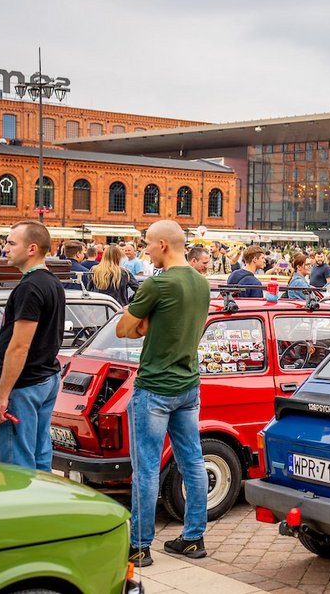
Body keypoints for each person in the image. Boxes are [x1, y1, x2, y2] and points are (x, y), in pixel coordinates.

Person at [116, 220, 211, 567]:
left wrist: (145, 323)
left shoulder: (158, 283)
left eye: (147, 245)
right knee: (193, 462)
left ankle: (140, 546)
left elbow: (124, 328)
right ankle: (193, 538)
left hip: (155, 387)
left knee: (146, 468)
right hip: (188, 384)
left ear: (163, 245)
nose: (145, 251)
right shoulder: (202, 284)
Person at [0, 221, 65, 470]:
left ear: (31, 248)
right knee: (40, 452)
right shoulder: (52, 282)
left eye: (12, 243)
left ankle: (20, 508)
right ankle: (39, 506)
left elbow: (19, 346)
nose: (5, 248)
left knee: (16, 464)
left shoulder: (30, 287)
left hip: (24, 384)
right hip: (45, 378)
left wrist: (2, 396)